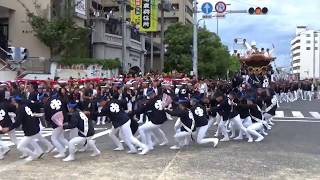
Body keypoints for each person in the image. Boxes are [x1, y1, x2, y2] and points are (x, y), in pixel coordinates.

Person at [9, 96, 53, 161]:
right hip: (34, 126)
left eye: (13, 101)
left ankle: (33, 155)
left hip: (30, 129)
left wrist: (9, 128)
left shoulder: (20, 109)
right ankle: (41, 150)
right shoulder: (24, 106)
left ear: (15, 102)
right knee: (35, 138)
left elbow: (17, 122)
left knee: (20, 146)